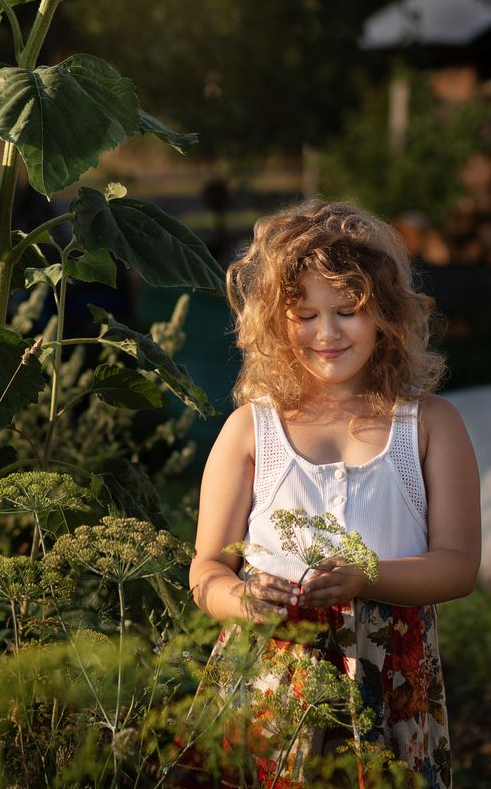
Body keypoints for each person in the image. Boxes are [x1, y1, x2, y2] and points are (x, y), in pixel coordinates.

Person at [189, 200, 481, 788]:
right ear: (273, 321)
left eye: (347, 311)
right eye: (304, 315)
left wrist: (366, 579)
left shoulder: (428, 423)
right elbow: (206, 567)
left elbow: (458, 567)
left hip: (390, 680)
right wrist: (238, 599)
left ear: (386, 316)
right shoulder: (251, 427)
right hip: (270, 679)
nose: (327, 333)